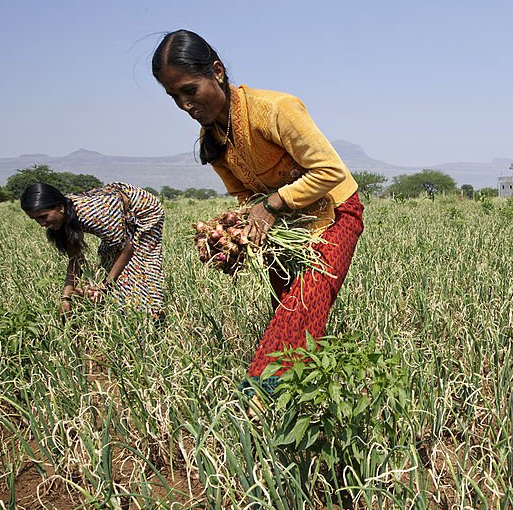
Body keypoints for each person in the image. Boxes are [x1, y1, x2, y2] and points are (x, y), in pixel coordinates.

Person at [152, 29, 363, 391]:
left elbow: (331, 171)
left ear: (217, 71)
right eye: (174, 97)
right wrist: (237, 234)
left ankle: (262, 398)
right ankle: (308, 391)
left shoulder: (275, 109)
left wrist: (272, 203)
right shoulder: (212, 139)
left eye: (190, 90)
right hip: (284, 226)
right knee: (286, 303)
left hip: (334, 211)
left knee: (301, 306)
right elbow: (244, 196)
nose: (186, 105)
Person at [20, 182, 165, 317]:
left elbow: (127, 248)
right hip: (116, 211)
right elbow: (74, 258)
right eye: (36, 219)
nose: (41, 224)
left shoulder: (95, 215)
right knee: (108, 258)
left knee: (139, 264)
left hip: (144, 211)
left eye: (43, 217)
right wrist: (65, 298)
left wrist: (104, 285)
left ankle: (154, 313)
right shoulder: (64, 218)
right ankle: (117, 306)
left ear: (60, 207)